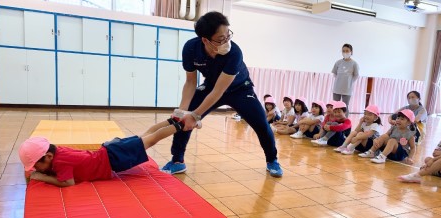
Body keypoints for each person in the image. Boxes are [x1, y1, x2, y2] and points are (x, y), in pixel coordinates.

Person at [160, 11, 283, 177]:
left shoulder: (234, 53)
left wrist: (195, 115)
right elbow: (190, 82)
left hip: (240, 88)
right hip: (210, 86)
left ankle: (272, 160)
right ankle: (177, 161)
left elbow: (220, 91)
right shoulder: (191, 49)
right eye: (220, 38)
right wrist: (183, 111)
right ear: (205, 40)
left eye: (228, 35)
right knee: (184, 119)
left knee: (261, 124)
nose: (226, 41)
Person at [18, 114, 196, 187]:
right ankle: (171, 120)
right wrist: (37, 171)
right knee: (146, 135)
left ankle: (181, 124)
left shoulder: (58, 162)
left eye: (36, 165)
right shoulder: (57, 151)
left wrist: (42, 177)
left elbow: (68, 183)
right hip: (110, 149)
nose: (36, 169)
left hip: (113, 158)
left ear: (48, 156)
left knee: (151, 139)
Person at [331, 43, 359, 114]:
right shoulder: (338, 62)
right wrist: (339, 80)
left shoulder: (354, 64)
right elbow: (334, 73)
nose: (345, 52)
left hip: (347, 89)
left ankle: (345, 123)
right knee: (335, 105)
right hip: (337, 88)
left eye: (347, 51)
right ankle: (335, 121)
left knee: (345, 106)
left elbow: (356, 75)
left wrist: (349, 82)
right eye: (343, 51)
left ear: (351, 52)